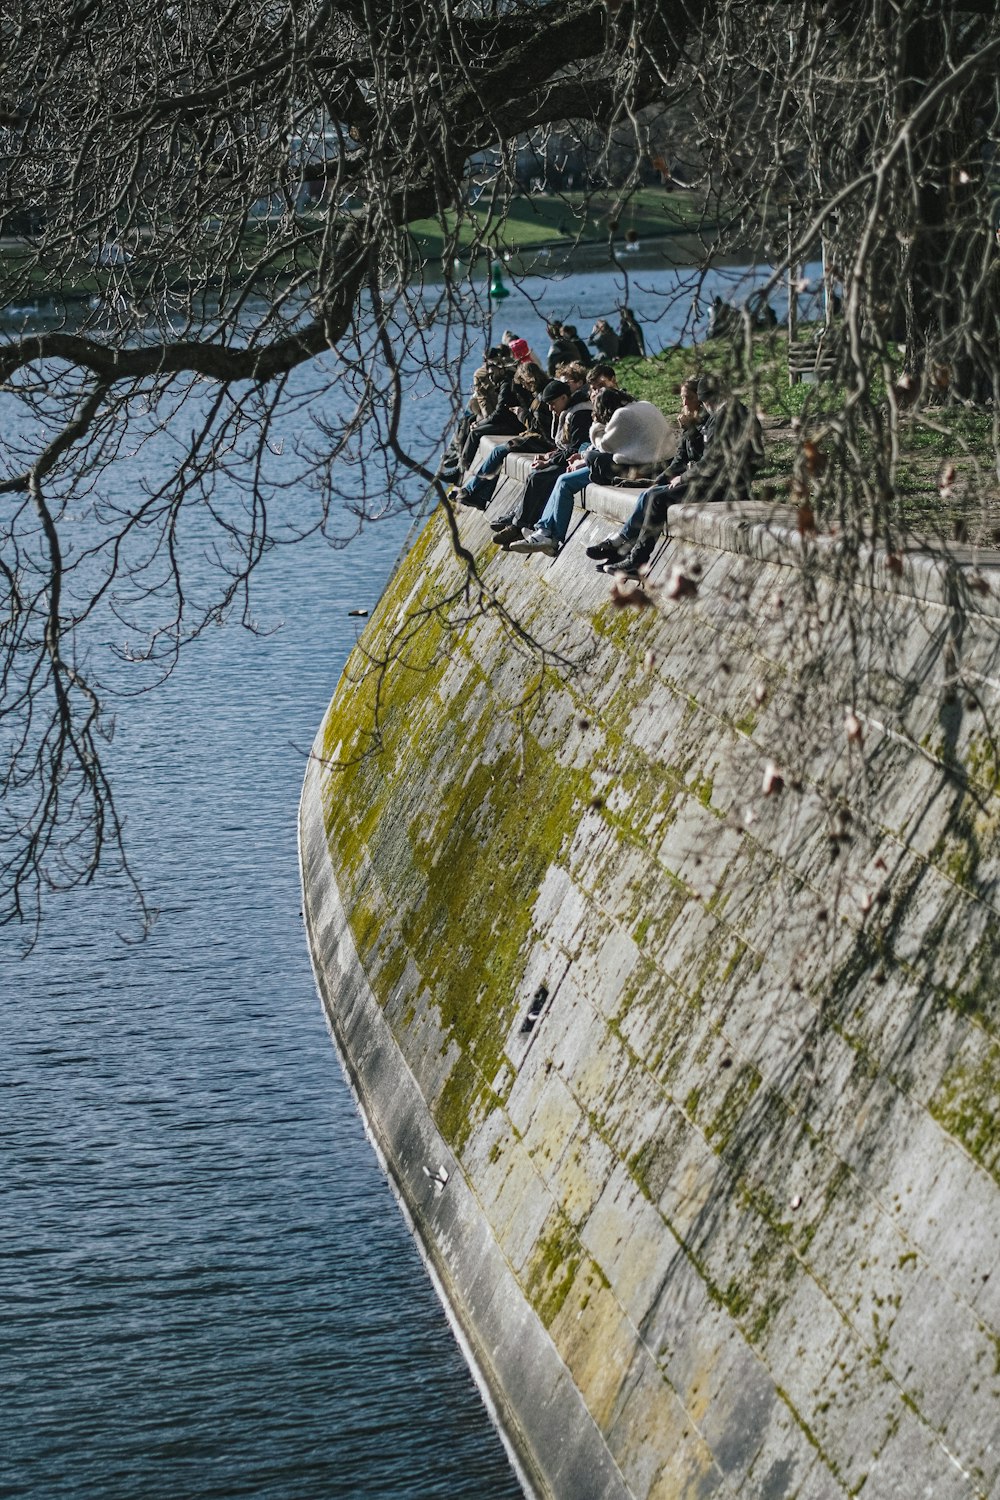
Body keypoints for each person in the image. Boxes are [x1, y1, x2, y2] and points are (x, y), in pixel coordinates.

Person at [587, 373, 762, 577]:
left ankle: (636, 560)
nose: (686, 403)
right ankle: (625, 550)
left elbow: (712, 460)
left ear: (706, 400)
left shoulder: (723, 418)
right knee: (652, 495)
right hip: (721, 481)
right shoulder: (736, 413)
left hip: (724, 487)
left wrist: (685, 476)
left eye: (693, 398)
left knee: (657, 499)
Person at [510, 390, 674, 555]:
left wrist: (595, 426)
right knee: (582, 463)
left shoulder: (622, 415)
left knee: (566, 480)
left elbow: (605, 445)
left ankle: (547, 535)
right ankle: (544, 532)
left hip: (640, 470)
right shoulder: (644, 405)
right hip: (661, 464)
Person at [490, 378, 593, 545]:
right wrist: (548, 456)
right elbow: (563, 446)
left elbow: (575, 449)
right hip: (568, 459)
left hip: (577, 462)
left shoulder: (580, 414)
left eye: (553, 403)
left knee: (539, 478)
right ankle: (519, 518)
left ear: (564, 398)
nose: (551, 408)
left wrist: (550, 460)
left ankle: (518, 526)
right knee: (534, 474)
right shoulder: (568, 411)